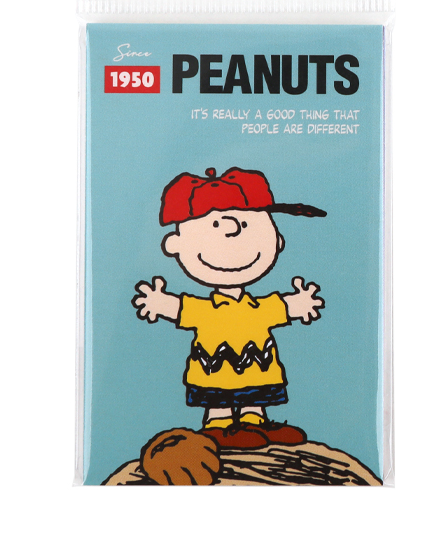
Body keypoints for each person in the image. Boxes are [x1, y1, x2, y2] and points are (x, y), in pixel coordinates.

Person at [132, 167, 326, 450]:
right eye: (214, 225)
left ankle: (255, 422)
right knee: (218, 404)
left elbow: (283, 307)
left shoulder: (259, 308)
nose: (231, 231)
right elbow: (180, 308)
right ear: (175, 245)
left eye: (246, 224)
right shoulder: (205, 310)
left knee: (255, 401)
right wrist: (158, 302)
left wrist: (301, 303)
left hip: (259, 371)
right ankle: (218, 427)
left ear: (277, 240)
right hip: (213, 373)